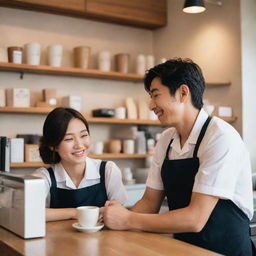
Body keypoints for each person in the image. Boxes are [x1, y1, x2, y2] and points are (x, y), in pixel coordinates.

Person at [101, 58, 255, 255]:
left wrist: (127, 219)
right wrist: (114, 217)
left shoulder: (220, 137)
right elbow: (149, 202)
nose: (151, 105)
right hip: (183, 249)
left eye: (155, 95)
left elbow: (195, 219)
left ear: (183, 93)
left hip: (224, 250)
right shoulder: (166, 140)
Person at [33, 107, 127, 222]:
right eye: (69, 139)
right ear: (54, 146)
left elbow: (120, 212)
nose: (79, 145)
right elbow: (30, 212)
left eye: (83, 135)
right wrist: (74, 212)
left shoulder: (108, 170)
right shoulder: (44, 177)